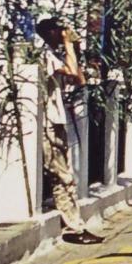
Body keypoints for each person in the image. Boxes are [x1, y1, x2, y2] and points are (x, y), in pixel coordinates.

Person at [36, 17, 104, 245]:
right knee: (63, 176)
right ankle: (74, 227)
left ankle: (74, 224)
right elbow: (74, 72)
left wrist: (71, 47)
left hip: (56, 121)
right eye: (61, 31)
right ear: (52, 32)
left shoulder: (52, 55)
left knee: (65, 175)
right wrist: (68, 44)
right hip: (48, 123)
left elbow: (79, 80)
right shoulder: (44, 55)